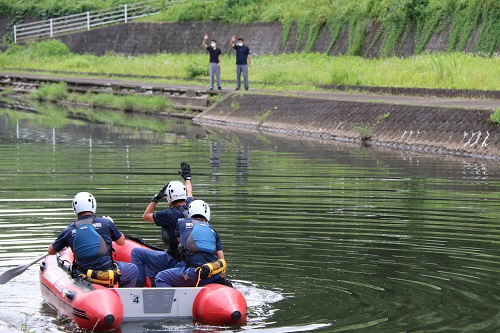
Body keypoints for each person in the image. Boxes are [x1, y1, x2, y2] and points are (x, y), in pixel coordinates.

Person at [47, 192, 138, 287]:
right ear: (93, 206)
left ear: (75, 209)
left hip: (84, 274)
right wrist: (112, 225)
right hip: (107, 274)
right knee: (132, 269)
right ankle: (124, 297)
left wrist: (63, 240)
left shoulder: (69, 231)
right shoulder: (106, 223)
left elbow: (51, 251)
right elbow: (121, 242)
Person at [130, 161, 194, 287]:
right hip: (190, 262)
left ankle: (137, 288)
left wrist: (156, 197)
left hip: (174, 261)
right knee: (155, 260)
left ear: (169, 197)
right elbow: (190, 193)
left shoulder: (168, 214)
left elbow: (145, 216)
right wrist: (187, 178)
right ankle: (154, 283)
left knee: (137, 253)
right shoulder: (193, 207)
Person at [155, 200, 226, 287]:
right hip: (213, 275)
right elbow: (222, 261)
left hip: (194, 275)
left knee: (160, 277)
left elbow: (179, 243)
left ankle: (173, 300)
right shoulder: (213, 231)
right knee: (181, 265)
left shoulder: (181, 223)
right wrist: (221, 278)